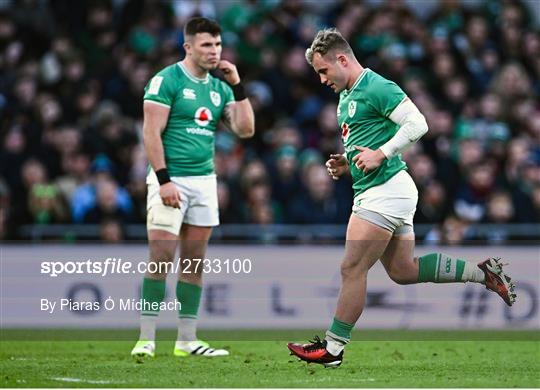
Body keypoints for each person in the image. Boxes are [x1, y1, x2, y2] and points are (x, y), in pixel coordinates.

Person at [287, 28, 516, 368]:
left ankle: (332, 349)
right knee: (403, 270)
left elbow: (417, 123)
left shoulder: (375, 85)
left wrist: (380, 154)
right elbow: (368, 144)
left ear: (342, 59)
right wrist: (347, 163)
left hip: (385, 191)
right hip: (387, 189)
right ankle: (484, 273)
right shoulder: (347, 97)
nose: (321, 79)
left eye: (323, 71)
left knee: (352, 267)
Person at [131, 17, 254, 360]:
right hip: (170, 179)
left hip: (204, 181)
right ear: (188, 47)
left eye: (217, 45)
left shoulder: (219, 87)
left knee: (194, 263)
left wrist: (238, 85)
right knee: (161, 256)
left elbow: (245, 130)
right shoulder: (166, 80)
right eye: (206, 45)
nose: (214, 51)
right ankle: (146, 337)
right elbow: (150, 133)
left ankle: (187, 340)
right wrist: (164, 179)